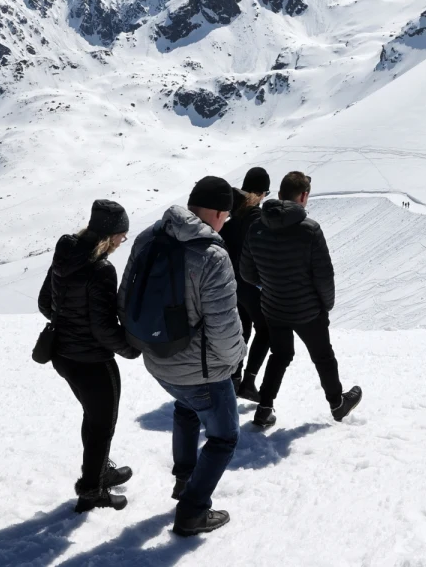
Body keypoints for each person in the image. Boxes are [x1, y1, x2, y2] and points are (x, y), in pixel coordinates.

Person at [120, 176, 245, 536]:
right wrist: (235, 362)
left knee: (186, 408)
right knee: (224, 438)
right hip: (202, 371)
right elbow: (224, 326)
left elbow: (125, 298)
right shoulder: (211, 256)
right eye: (226, 217)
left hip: (157, 361)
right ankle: (192, 511)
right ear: (220, 213)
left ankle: (183, 480)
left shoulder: (149, 236)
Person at [38, 200, 139, 513]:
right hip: (94, 363)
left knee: (92, 418)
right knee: (101, 425)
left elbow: (45, 302)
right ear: (109, 236)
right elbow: (104, 328)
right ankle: (92, 491)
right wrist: (132, 349)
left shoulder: (66, 252)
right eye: (122, 236)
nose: (123, 242)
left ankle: (98, 471)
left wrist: (68, 322)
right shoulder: (102, 269)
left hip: (63, 357)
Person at [241, 172, 362, 429]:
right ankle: (337, 404)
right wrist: (325, 305)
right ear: (304, 196)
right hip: (308, 311)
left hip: (273, 307)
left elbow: (247, 273)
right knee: (323, 356)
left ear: (280, 193)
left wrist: (270, 286)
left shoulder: (257, 226)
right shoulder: (310, 230)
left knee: (280, 355)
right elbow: (324, 276)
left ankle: (264, 408)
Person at [218, 167, 271, 402]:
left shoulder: (232, 217)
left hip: (232, 286)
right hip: (251, 286)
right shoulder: (258, 220)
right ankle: (248, 382)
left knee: (242, 330)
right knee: (266, 330)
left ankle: (234, 377)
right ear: (261, 193)